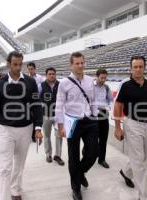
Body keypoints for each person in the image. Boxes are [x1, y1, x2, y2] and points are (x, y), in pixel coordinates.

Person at [0, 51, 43, 200]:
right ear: (8, 64)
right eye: (15, 64)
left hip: (26, 129)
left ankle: (16, 191)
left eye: (20, 64)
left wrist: (38, 128)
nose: (18, 67)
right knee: (5, 168)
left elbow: (36, 105)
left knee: (19, 164)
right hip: (6, 130)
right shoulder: (0, 83)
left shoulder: (31, 82)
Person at [114, 56, 147, 200]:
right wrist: (118, 127)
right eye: (135, 67)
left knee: (143, 156)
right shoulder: (125, 85)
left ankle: (126, 172)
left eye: (140, 66)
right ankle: (143, 195)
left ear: (144, 67)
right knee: (139, 162)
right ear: (131, 68)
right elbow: (118, 106)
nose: (138, 69)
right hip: (132, 124)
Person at [55, 52, 99, 200]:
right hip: (72, 122)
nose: (80, 66)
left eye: (82, 63)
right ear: (71, 65)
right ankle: (75, 188)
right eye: (77, 63)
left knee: (93, 152)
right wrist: (60, 126)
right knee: (73, 157)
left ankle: (79, 174)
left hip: (89, 121)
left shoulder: (89, 80)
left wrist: (95, 115)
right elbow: (59, 106)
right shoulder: (64, 83)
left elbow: (93, 100)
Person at [40, 67, 64, 166]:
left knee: (59, 135)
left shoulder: (61, 85)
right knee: (47, 136)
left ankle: (57, 156)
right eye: (49, 74)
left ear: (55, 74)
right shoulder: (41, 85)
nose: (51, 75)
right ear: (46, 75)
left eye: (53, 74)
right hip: (46, 114)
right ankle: (48, 154)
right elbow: (36, 98)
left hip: (58, 115)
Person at [94, 68, 113, 168]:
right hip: (93, 114)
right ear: (97, 77)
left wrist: (109, 106)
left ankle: (102, 159)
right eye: (101, 78)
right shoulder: (91, 87)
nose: (103, 80)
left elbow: (111, 100)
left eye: (105, 78)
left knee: (103, 138)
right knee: (92, 137)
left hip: (104, 113)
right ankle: (86, 150)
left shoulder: (106, 88)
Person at [27, 62, 44, 142]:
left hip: (37, 100)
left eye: (32, 69)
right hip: (28, 101)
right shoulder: (25, 77)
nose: (30, 70)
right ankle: (30, 135)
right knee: (29, 118)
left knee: (36, 118)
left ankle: (35, 135)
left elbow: (41, 89)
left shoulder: (40, 78)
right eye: (29, 69)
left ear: (35, 69)